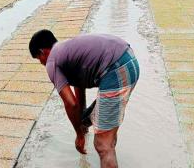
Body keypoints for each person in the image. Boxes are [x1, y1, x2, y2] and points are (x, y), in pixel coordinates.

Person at [29, 30, 140, 168]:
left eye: (40, 60)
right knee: (105, 136)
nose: (42, 64)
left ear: (42, 52)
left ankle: (108, 151)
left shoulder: (52, 61)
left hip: (116, 70)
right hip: (128, 61)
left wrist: (79, 135)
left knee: (102, 145)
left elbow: (71, 104)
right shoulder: (66, 50)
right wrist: (82, 123)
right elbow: (79, 90)